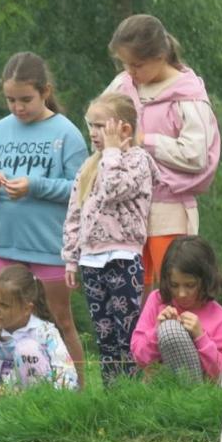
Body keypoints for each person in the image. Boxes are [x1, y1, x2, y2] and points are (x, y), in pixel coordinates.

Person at [0, 52, 88, 388]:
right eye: (11, 100)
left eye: (26, 99)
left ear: (45, 91)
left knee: (60, 320)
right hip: (6, 245)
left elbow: (80, 188)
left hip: (49, 247)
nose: (18, 108)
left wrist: (34, 185)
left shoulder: (66, 133)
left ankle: (77, 390)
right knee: (1, 320)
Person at [106, 14, 220, 289]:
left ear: (160, 55)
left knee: (169, 287)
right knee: (130, 288)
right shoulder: (124, 86)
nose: (130, 71)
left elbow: (196, 155)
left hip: (169, 209)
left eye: (137, 64)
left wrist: (145, 140)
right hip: (129, 209)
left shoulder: (187, 95)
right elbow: (99, 120)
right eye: (124, 63)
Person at [62, 92, 152, 386]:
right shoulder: (89, 166)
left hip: (122, 257)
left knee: (125, 329)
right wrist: (71, 260)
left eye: (101, 126)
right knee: (104, 333)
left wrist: (112, 153)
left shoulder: (137, 161)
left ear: (124, 129)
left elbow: (115, 189)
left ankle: (132, 388)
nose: (93, 133)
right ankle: (113, 392)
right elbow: (74, 213)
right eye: (91, 125)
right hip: (91, 260)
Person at [130, 235, 222, 381]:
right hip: (158, 389)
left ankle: (186, 391)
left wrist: (201, 337)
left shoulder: (219, 316)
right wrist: (157, 331)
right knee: (169, 329)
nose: (181, 294)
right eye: (174, 285)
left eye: (190, 285)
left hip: (200, 395)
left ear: (205, 280)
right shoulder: (156, 300)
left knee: (171, 330)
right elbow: (138, 356)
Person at [0, 265, 78, 395]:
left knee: (27, 349)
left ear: (26, 309)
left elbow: (66, 373)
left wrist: (54, 395)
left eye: (4, 305)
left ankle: (34, 401)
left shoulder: (45, 332)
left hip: (40, 400)